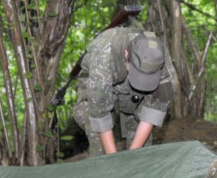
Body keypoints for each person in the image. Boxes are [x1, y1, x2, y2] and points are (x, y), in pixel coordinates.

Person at [73, 26, 175, 157]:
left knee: (141, 152)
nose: (142, 83)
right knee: (99, 142)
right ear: (126, 54)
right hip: (97, 87)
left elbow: (153, 111)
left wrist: (132, 155)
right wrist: (114, 160)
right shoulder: (104, 56)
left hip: (132, 94)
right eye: (139, 75)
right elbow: (100, 114)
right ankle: (103, 174)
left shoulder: (160, 58)